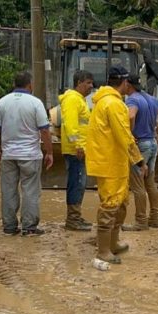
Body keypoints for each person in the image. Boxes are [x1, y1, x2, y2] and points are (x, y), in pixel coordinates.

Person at [86, 65, 145, 264]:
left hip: (110, 161)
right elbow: (124, 135)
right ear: (125, 82)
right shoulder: (114, 104)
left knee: (120, 203)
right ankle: (103, 250)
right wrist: (139, 159)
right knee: (110, 205)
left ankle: (112, 243)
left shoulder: (103, 102)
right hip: (110, 163)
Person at [0, 72, 53, 236]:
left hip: (9, 155)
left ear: (14, 84)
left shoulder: (2, 103)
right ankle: (29, 227)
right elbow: (45, 131)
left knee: (8, 190)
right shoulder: (35, 103)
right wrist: (49, 152)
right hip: (30, 156)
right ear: (30, 85)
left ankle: (9, 227)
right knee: (30, 191)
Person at [122, 74, 158, 231]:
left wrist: (131, 134)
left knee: (137, 184)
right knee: (150, 182)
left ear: (128, 85)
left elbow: (130, 115)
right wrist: (156, 131)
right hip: (153, 143)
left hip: (140, 145)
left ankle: (141, 221)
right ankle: (155, 218)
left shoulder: (132, 100)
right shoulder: (151, 99)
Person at [59, 70, 94, 231]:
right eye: (88, 83)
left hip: (79, 149)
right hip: (75, 150)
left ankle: (76, 216)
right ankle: (73, 219)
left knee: (79, 183)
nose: (91, 86)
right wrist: (78, 145)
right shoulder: (73, 99)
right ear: (79, 82)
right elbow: (71, 125)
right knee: (76, 183)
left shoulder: (79, 100)